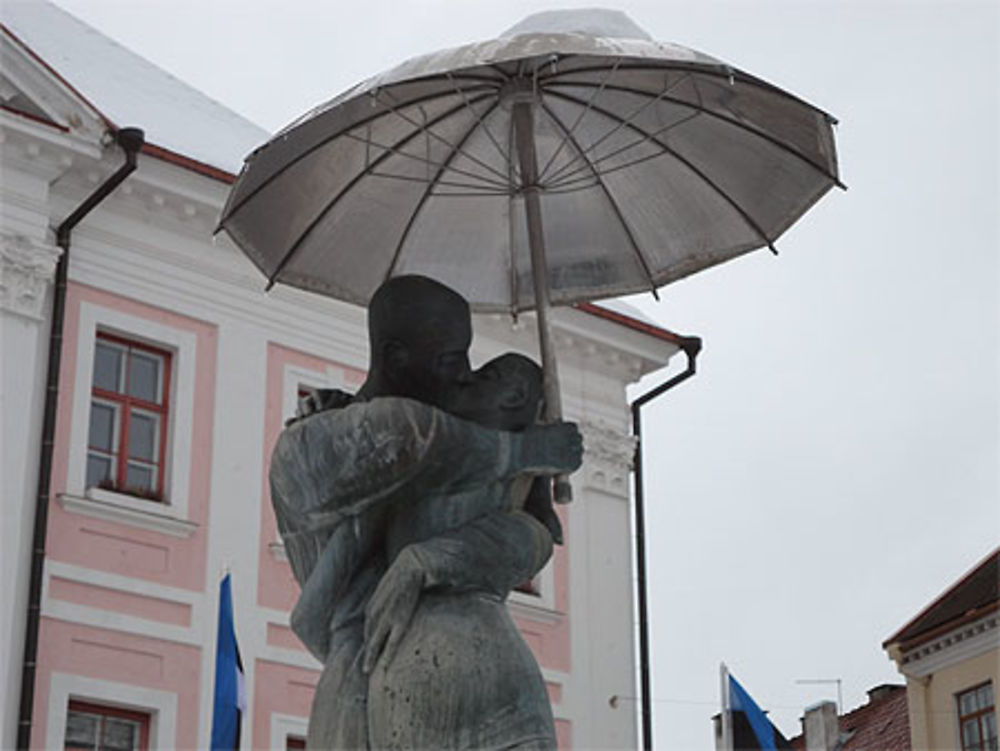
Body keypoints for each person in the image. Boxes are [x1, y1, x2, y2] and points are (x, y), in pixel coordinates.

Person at [269, 275, 581, 749]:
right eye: (452, 358)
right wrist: (525, 451)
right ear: (397, 356)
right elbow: (403, 437)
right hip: (368, 677)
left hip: (471, 659)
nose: (465, 374)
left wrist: (522, 491)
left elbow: (530, 540)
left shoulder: (460, 439)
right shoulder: (310, 442)